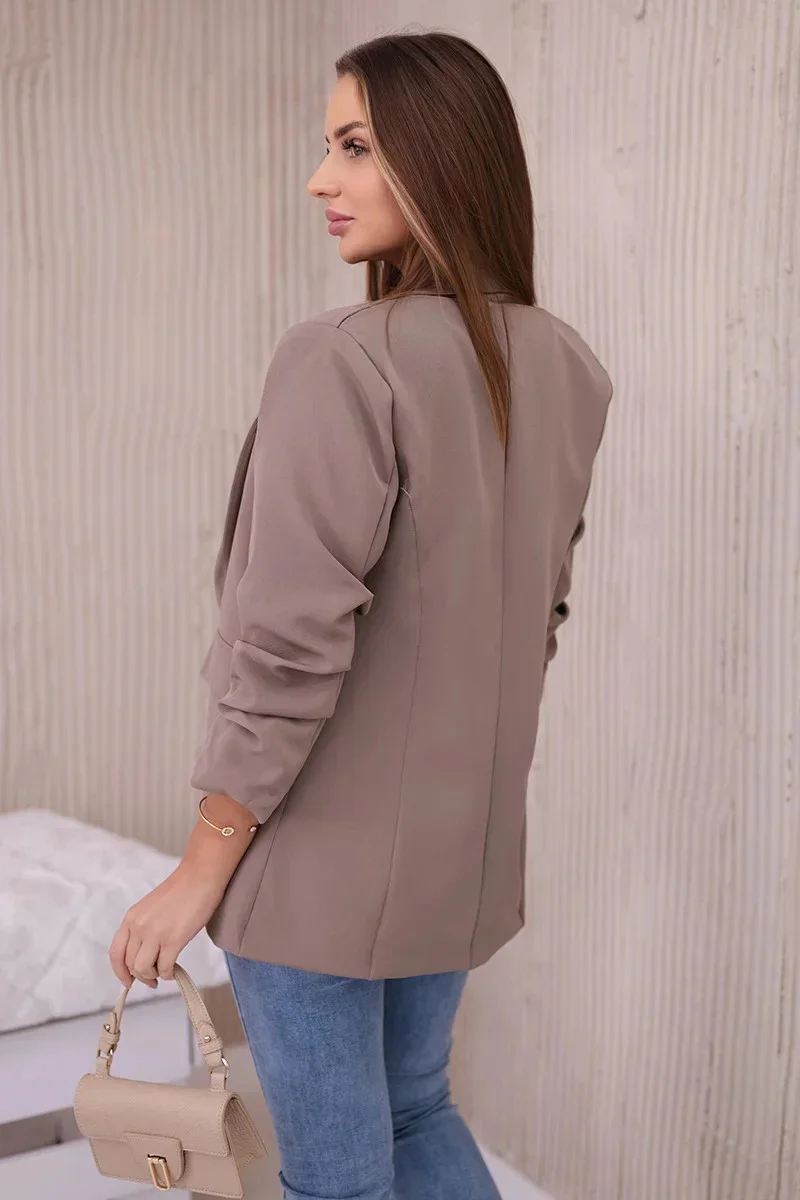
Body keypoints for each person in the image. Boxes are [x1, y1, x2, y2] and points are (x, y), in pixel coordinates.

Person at [108, 29, 612, 1200]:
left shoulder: (342, 358)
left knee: (335, 1177)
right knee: (417, 1109)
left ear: (438, 157)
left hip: (319, 869)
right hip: (456, 855)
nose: (317, 180)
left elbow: (287, 645)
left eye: (352, 147)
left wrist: (200, 868)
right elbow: (531, 622)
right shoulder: (565, 365)